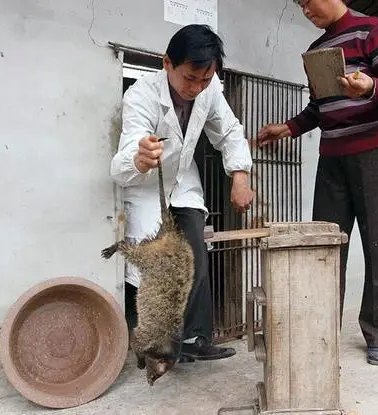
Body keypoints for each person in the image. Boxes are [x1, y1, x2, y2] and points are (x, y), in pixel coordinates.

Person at [257, 0, 378, 366]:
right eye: (299, 6)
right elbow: (320, 107)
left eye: (307, 3)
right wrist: (289, 128)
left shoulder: (374, 30)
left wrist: (371, 86)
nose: (305, 12)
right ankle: (321, 326)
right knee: (324, 245)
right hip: (332, 158)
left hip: (376, 151)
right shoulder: (317, 51)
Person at [110, 24, 254, 362]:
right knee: (155, 269)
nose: (196, 87)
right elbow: (124, 157)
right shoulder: (141, 95)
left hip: (183, 183)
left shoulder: (209, 88)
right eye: (190, 77)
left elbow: (229, 131)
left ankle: (195, 339)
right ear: (167, 64)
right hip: (146, 188)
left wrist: (240, 176)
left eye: (205, 80)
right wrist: (139, 157)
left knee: (196, 259)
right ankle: (155, 348)